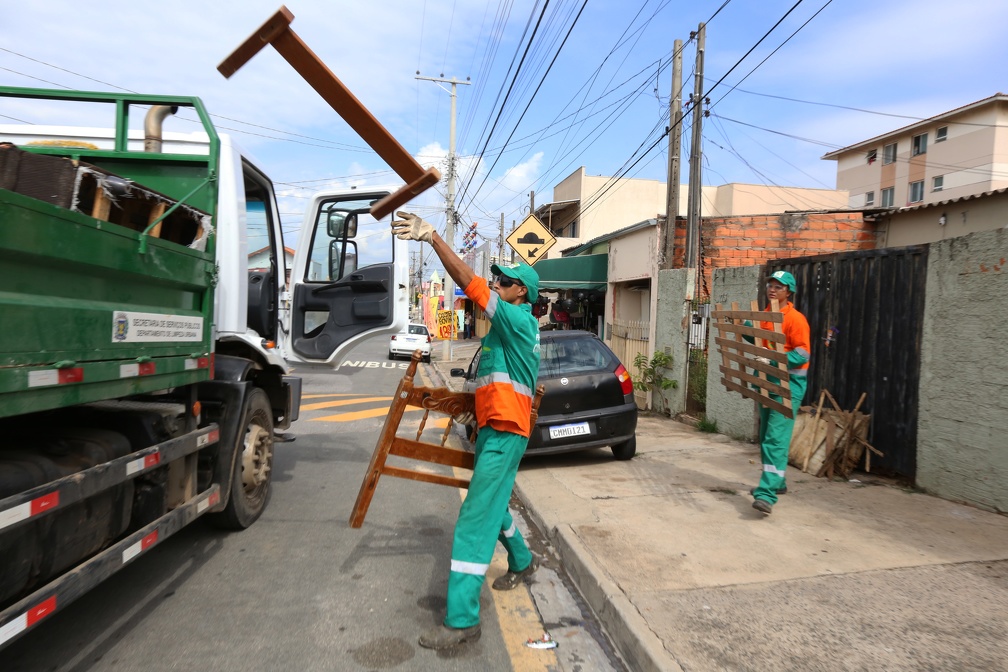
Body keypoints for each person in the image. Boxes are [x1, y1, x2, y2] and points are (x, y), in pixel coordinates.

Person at [391, 211, 541, 650]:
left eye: (504, 280)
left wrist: (434, 237)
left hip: (507, 432)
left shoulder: (517, 321)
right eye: (496, 277)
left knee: (474, 520)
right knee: (492, 504)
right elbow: (493, 383)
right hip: (498, 430)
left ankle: (461, 622)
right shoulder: (505, 332)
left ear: (521, 293)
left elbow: (470, 285)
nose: (495, 282)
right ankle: (523, 559)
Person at [750, 270, 810, 516]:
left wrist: (773, 360)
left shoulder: (795, 319)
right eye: (770, 285)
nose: (772, 290)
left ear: (789, 292)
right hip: (766, 384)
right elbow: (753, 334)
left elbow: (803, 354)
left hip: (788, 387)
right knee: (767, 436)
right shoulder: (765, 315)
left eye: (779, 286)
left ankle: (766, 494)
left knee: (775, 439)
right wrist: (740, 323)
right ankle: (779, 481)